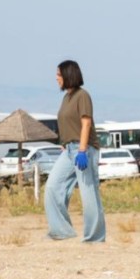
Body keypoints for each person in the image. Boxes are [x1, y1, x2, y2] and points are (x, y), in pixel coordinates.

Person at [45, 59, 106, 242]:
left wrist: (81, 150)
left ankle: (94, 237)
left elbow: (86, 123)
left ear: (68, 75)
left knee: (88, 194)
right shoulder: (66, 97)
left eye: (58, 74)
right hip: (69, 150)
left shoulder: (82, 96)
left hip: (84, 150)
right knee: (52, 186)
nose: (56, 78)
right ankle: (61, 231)